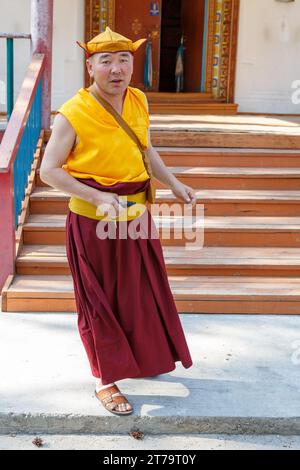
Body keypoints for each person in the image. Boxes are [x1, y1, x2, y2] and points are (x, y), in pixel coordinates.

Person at [40, 26, 196, 416]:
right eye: (106, 61)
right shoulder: (73, 112)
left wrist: (174, 183)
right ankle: (105, 379)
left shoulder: (139, 100)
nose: (116, 68)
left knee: (141, 295)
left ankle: (140, 359)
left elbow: (144, 148)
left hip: (136, 217)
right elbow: (48, 171)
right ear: (90, 66)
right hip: (94, 222)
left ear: (132, 64)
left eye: (124, 59)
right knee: (100, 301)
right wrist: (96, 196)